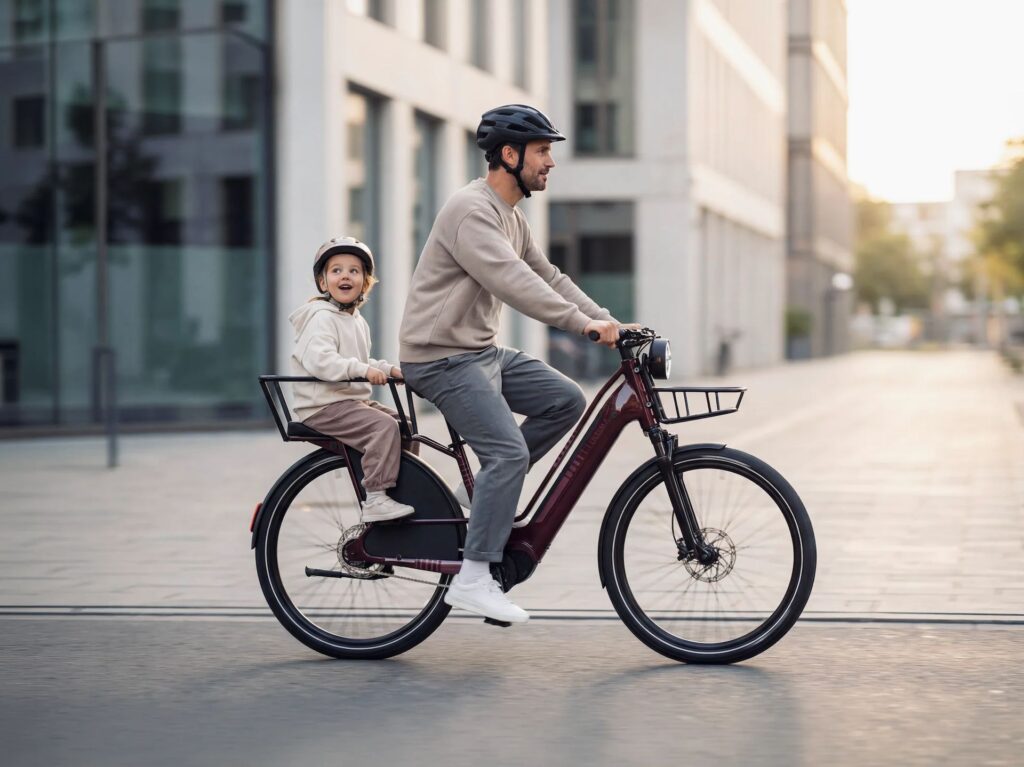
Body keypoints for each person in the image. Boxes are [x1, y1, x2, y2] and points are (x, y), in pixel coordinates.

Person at [399, 104, 627, 625]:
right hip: (439, 359)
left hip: (478, 353)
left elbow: (548, 276)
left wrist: (608, 321)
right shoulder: (470, 211)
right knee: (507, 453)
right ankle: (474, 578)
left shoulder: (512, 217)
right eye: (542, 151)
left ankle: (477, 497)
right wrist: (581, 326)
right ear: (509, 154)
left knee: (564, 400)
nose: (551, 162)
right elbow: (514, 282)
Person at [290, 236, 415, 523]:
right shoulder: (320, 318)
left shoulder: (356, 320)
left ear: (365, 282)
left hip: (348, 402)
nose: (345, 276)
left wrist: (388, 369)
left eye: (354, 271)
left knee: (405, 426)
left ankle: (406, 489)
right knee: (383, 427)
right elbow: (322, 361)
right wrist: (363, 371)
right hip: (322, 406)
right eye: (336, 270)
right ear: (323, 283)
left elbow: (359, 360)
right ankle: (376, 497)